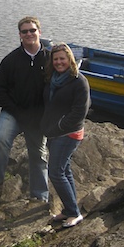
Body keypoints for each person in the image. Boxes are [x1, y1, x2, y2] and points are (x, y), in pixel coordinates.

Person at [0, 16, 50, 203]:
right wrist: (15, 110)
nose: (29, 34)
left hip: (37, 116)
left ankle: (40, 195)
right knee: (0, 139)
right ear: (19, 35)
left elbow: (61, 86)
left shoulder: (50, 59)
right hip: (13, 112)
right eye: (24, 31)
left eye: (32, 30)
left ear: (39, 32)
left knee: (39, 154)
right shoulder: (10, 60)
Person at [41, 43, 90, 227]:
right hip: (53, 132)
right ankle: (69, 210)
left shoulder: (79, 81)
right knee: (65, 169)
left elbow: (79, 113)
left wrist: (59, 126)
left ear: (69, 59)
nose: (59, 62)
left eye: (62, 58)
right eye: (56, 59)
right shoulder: (52, 78)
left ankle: (75, 213)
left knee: (55, 172)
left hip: (69, 133)